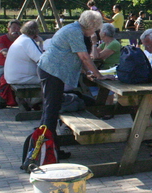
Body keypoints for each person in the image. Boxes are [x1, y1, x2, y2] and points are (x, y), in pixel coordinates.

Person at [37, 10, 106, 159]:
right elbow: (84, 57)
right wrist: (99, 76)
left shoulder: (73, 29)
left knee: (51, 110)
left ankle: (51, 148)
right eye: (96, 28)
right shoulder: (75, 32)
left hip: (51, 71)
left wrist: (87, 72)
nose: (95, 32)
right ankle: (46, 151)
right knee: (51, 111)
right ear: (92, 25)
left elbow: (73, 56)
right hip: (52, 72)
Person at [3, 20, 44, 111]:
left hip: (12, 77)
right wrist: (41, 43)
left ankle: (31, 102)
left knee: (48, 79)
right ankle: (34, 102)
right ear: (36, 31)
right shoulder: (27, 41)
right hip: (22, 78)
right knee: (52, 81)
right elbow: (41, 60)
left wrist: (40, 43)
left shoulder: (22, 39)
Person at [0, 19, 22, 109]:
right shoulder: (1, 39)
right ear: (8, 28)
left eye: (18, 28)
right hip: (4, 66)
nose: (16, 30)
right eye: (13, 27)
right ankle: (2, 101)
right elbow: (4, 52)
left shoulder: (22, 39)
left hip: (19, 65)